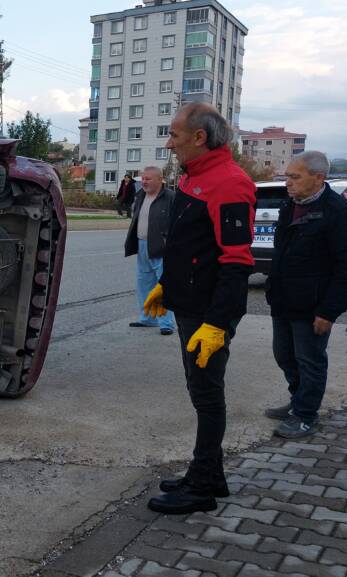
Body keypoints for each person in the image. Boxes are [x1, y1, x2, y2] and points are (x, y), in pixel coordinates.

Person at [143, 103, 256, 515]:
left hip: (209, 315)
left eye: (174, 135)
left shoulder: (229, 183)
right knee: (199, 391)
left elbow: (236, 261)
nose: (169, 143)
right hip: (189, 306)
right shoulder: (195, 178)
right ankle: (210, 473)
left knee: (207, 396)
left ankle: (203, 487)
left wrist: (218, 324)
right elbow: (190, 249)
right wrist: (165, 286)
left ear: (199, 137)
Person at [263, 151, 347, 438]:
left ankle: (305, 414)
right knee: (284, 355)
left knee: (310, 360)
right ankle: (297, 398)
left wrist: (328, 311)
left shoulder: (339, 212)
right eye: (287, 176)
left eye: (294, 177)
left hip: (313, 305)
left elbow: (346, 267)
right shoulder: (291, 205)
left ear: (318, 178)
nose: (287, 182)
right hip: (284, 299)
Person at [125, 166, 176, 335]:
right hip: (142, 245)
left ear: (160, 179)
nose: (144, 182)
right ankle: (148, 318)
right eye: (143, 178)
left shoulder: (170, 197)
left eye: (148, 179)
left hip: (161, 248)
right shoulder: (140, 196)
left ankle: (166, 323)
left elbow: (177, 223)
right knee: (144, 283)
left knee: (163, 285)